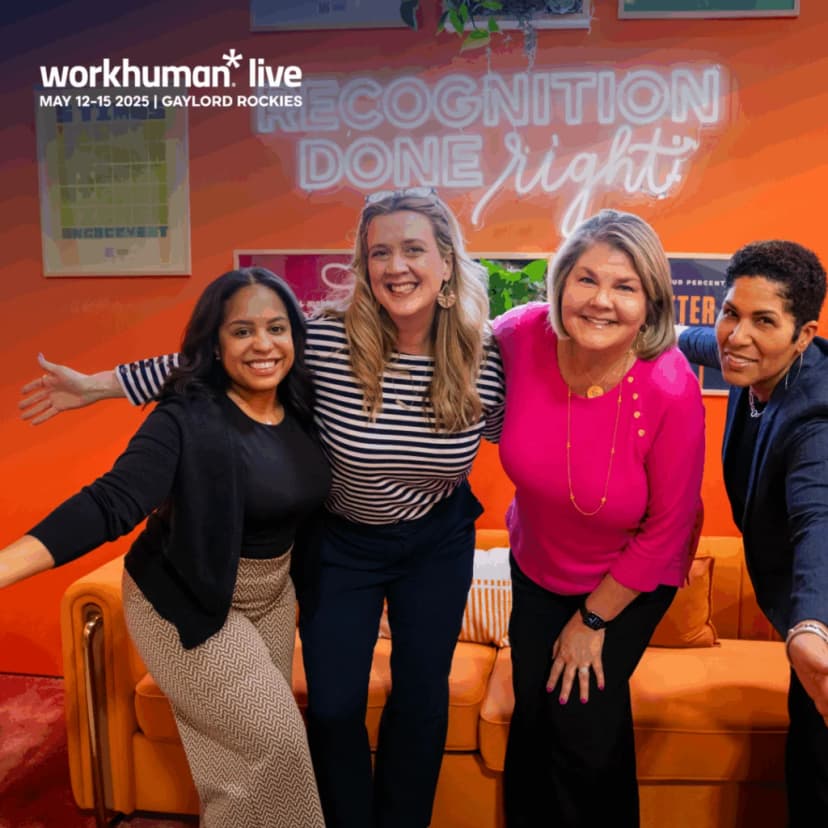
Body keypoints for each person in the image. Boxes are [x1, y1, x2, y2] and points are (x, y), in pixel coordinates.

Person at [18, 189, 505, 828]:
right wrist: (99, 385)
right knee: (332, 707)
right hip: (340, 545)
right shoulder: (329, 340)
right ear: (364, 266)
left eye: (413, 249)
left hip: (435, 545)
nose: (396, 266)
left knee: (420, 699)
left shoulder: (485, 357)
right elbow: (217, 358)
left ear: (446, 261)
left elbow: (547, 415)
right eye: (379, 251)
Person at [4, 267, 330, 828]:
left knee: (238, 774)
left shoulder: (302, 405)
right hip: (186, 603)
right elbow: (111, 501)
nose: (263, 345)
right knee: (279, 748)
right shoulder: (185, 416)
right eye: (242, 331)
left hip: (271, 599)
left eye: (277, 328)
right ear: (215, 343)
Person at [492, 209, 705, 827]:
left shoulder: (668, 388)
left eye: (625, 286)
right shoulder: (521, 334)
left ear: (651, 303)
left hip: (630, 578)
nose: (601, 301)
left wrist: (591, 620)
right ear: (560, 284)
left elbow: (666, 529)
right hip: (537, 566)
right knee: (535, 714)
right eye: (586, 279)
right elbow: (446, 342)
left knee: (580, 727)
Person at [678, 239, 828, 826]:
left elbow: (818, 518)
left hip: (821, 618)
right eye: (730, 312)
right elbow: (693, 340)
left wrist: (812, 625)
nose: (737, 335)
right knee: (807, 761)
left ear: (805, 333)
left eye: (763, 320)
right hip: (806, 629)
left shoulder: (815, 416)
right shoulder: (749, 355)